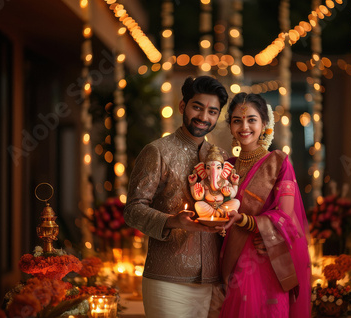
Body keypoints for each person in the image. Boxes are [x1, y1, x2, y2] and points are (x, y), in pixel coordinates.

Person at [123, 76, 229, 318]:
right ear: (183, 106)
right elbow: (132, 210)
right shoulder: (157, 151)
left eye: (212, 111)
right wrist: (173, 221)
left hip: (213, 281)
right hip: (167, 280)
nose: (204, 117)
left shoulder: (220, 157)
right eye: (197, 107)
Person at [219, 92, 311, 317]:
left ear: (264, 124)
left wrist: (246, 221)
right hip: (231, 260)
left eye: (252, 119)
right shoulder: (226, 167)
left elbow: (285, 216)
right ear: (230, 126)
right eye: (237, 120)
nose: (244, 127)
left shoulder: (278, 163)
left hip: (265, 259)